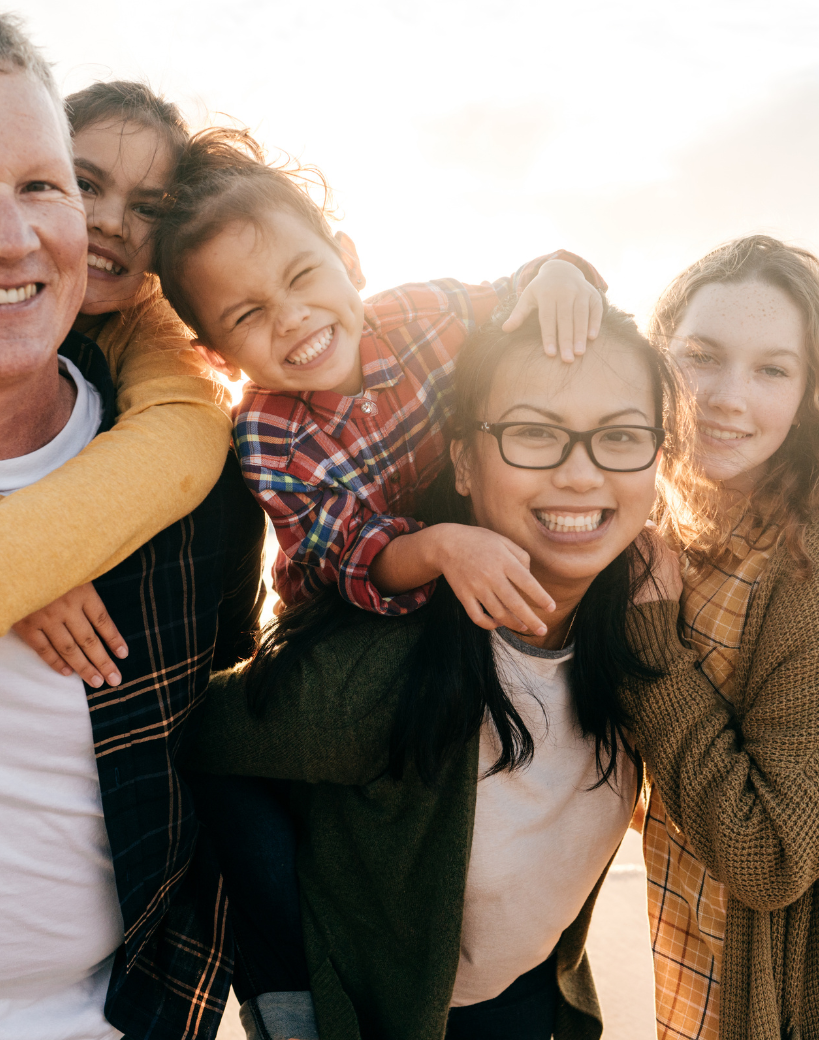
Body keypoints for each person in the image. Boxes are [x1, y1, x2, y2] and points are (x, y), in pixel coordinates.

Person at [182, 298, 692, 1040]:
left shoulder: (652, 622)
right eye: (533, 434)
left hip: (533, 1002)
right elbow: (205, 740)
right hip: (401, 1017)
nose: (580, 474)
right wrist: (290, 986)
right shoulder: (385, 674)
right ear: (461, 460)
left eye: (620, 436)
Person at [0, 9, 264, 1040]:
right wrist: (5, 551)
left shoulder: (200, 463)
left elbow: (237, 717)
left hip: (126, 1009)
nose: (12, 234)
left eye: (40, 185)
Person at [155, 126, 608, 637]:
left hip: (479, 547)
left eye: (302, 276)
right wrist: (443, 546)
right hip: (348, 617)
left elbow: (513, 295)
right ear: (219, 359)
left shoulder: (420, 314)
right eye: (247, 315)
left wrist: (557, 275)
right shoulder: (268, 438)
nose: (291, 318)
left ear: (348, 260)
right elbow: (356, 556)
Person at [0, 76, 233, 690]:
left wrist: (18, 566)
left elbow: (185, 434)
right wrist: (21, 572)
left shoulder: (152, 329)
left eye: (149, 207)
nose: (110, 222)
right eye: (84, 184)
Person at [617, 235, 819, 1040]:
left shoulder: (801, 572)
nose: (728, 398)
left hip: (774, 998)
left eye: (773, 369)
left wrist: (654, 653)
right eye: (701, 356)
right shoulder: (665, 527)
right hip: (689, 963)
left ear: (808, 392)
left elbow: (771, 855)